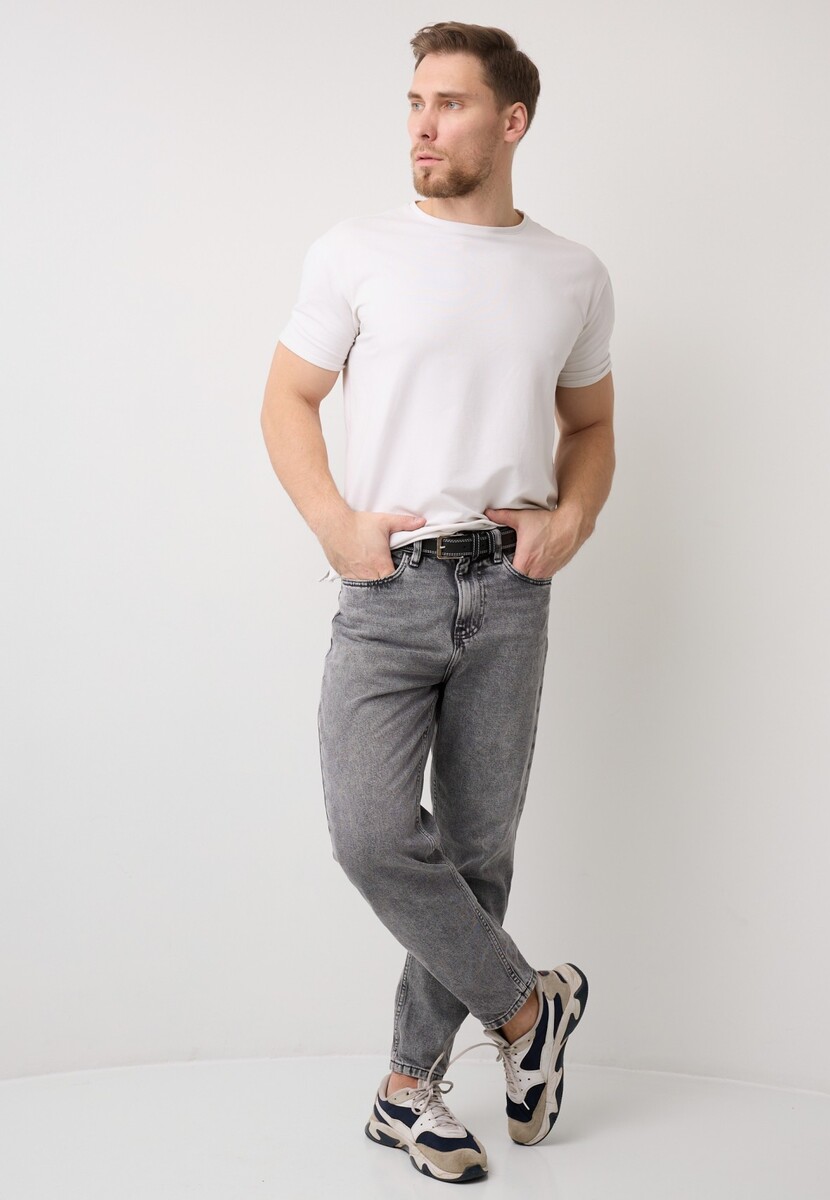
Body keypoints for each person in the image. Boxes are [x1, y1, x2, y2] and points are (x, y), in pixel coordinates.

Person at [261, 20, 614, 1184]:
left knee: (475, 852)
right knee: (371, 835)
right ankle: (529, 1008)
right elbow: (287, 400)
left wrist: (571, 519)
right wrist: (335, 524)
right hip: (390, 589)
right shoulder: (356, 251)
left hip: (511, 592)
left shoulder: (572, 273)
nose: (422, 124)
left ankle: (408, 1093)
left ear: (511, 122)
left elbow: (592, 425)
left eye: (449, 103)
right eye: (415, 101)